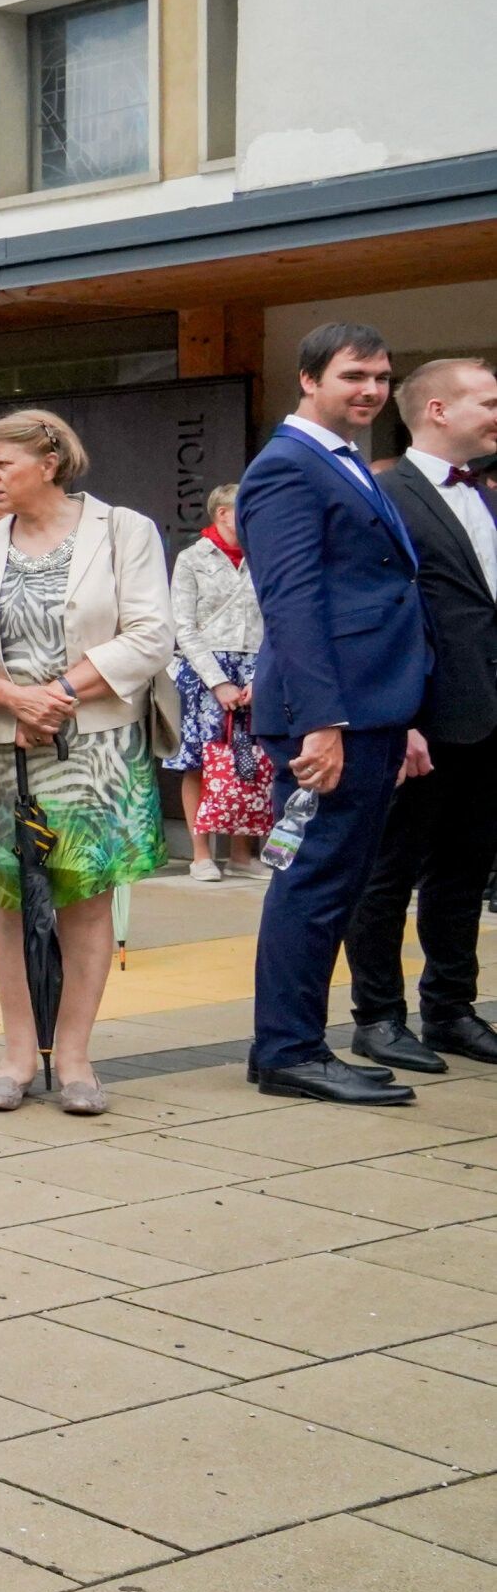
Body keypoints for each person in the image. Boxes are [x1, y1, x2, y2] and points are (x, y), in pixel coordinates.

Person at [0, 410, 173, 1113]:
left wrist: (57, 694)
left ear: (48, 462)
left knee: (84, 897)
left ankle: (74, 1059)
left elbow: (150, 634)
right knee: (10, 902)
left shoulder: (124, 531)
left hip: (95, 746)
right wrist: (15, 700)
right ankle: (17, 1056)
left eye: (0, 465)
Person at [240, 322, 432, 1106]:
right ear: (308, 380)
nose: (371, 390)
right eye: (354, 375)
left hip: (371, 708)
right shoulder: (288, 467)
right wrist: (324, 722)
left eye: (383, 377)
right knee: (313, 882)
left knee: (336, 882)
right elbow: (291, 602)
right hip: (330, 717)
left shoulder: (343, 463)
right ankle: (288, 1049)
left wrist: (404, 710)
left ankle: (294, 1044)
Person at [345, 356, 497, 1072]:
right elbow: (376, 616)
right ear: (438, 410)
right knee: (387, 871)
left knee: (464, 870)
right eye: (488, 401)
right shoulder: (386, 495)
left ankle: (451, 1009)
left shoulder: (488, 492)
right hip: (418, 722)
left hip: (487, 716)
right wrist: (396, 715)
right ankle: (377, 1016)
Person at [165, 484, 273, 883]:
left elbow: (276, 619)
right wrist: (218, 682)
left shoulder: (264, 557)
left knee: (250, 761)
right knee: (200, 761)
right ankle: (200, 853)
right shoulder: (193, 558)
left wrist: (262, 676)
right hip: (206, 667)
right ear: (224, 513)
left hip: (256, 665)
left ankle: (243, 853)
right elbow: (184, 627)